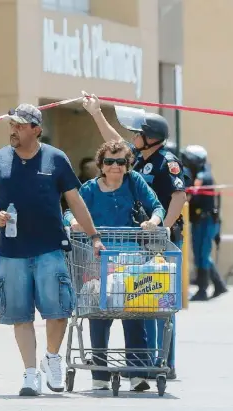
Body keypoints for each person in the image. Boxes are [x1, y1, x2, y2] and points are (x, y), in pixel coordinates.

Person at [0, 103, 105, 396]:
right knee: (20, 316)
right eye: (12, 125)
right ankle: (30, 373)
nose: (14, 130)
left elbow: (76, 200)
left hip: (50, 249)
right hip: (12, 251)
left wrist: (94, 235)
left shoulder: (56, 159)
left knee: (58, 311)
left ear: (36, 129)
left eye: (20, 125)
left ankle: (52, 359)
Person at [81, 92, 186, 380]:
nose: (134, 137)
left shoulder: (167, 160)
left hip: (161, 238)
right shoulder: (135, 160)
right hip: (137, 241)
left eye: (139, 134)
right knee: (139, 300)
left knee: (159, 301)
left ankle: (163, 362)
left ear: (150, 138)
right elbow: (115, 142)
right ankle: (143, 363)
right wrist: (96, 113)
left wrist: (160, 228)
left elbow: (178, 197)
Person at [63, 137, 165, 392]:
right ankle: (100, 374)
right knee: (99, 315)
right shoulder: (88, 189)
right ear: (101, 164)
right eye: (109, 161)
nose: (115, 166)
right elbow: (69, 211)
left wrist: (153, 220)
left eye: (121, 162)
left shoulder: (134, 182)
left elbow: (157, 207)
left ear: (128, 164)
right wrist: (73, 222)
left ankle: (138, 373)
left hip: (131, 260)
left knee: (134, 314)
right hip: (96, 260)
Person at [181, 145, 228, 301]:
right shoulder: (198, 174)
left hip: (206, 220)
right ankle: (219, 285)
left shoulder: (202, 176)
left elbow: (191, 196)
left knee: (202, 254)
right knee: (201, 254)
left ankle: (203, 289)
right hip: (200, 220)